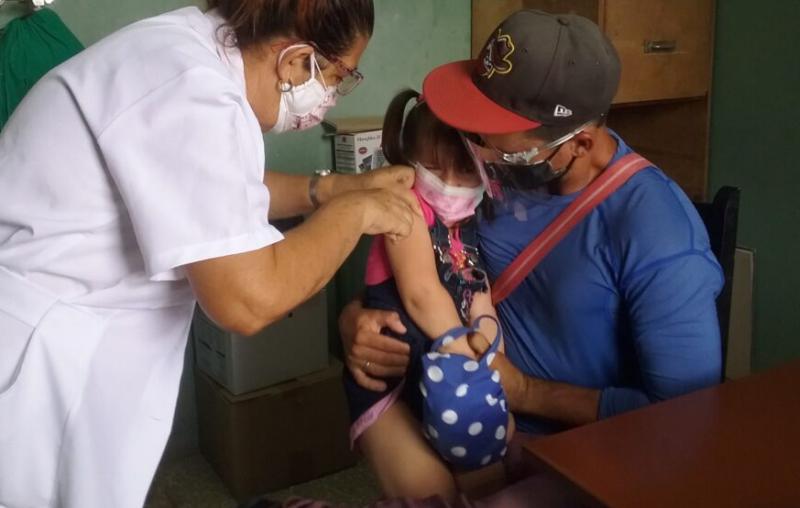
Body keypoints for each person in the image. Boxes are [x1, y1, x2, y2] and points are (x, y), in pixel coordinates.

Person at [0, 1, 418, 507]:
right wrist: (356, 214)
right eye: (338, 76)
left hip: (70, 331)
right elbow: (248, 299)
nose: (330, 95)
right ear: (296, 61)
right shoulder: (190, 89)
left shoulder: (189, 55)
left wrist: (338, 190)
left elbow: (220, 187)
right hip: (39, 360)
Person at [340, 8, 723, 500]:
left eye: (496, 142)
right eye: (475, 134)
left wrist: (524, 392)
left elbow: (686, 416)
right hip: (452, 398)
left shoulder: (660, 239)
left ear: (577, 143)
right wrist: (354, 319)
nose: (479, 156)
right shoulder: (492, 176)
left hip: (571, 451)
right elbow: (429, 266)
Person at [342, 89, 514, 499]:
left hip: (450, 375)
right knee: (432, 494)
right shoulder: (404, 207)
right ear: (409, 163)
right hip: (393, 381)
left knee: (488, 476)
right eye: (435, 169)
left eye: (464, 173)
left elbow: (478, 294)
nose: (449, 185)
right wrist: (465, 352)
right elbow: (420, 292)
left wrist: (494, 359)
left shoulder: (469, 220)